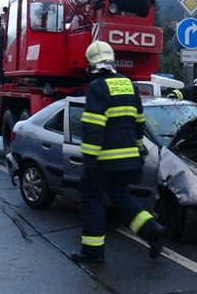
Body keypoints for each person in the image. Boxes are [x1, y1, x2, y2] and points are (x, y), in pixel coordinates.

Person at [71, 40, 164, 264]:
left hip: (104, 160)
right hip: (129, 158)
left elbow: (93, 126)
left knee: (92, 199)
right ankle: (152, 231)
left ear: (91, 64)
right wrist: (138, 153)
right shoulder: (128, 84)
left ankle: (92, 252)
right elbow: (139, 122)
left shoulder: (97, 87)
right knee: (121, 197)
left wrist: (90, 161)